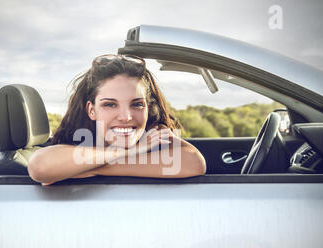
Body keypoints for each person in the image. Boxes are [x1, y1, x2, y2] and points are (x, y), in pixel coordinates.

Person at [28, 54, 206, 185]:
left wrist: (91, 168)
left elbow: (195, 163)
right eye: (110, 105)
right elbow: (40, 166)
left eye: (137, 104)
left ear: (147, 108)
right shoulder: (77, 142)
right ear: (92, 110)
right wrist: (130, 152)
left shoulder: (153, 135)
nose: (126, 117)